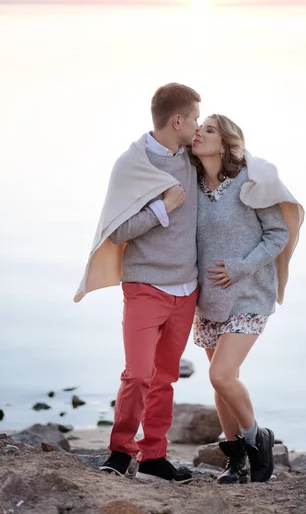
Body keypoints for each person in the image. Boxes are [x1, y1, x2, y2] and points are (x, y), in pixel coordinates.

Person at [74, 83, 201, 482]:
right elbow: (118, 231)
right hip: (145, 284)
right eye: (195, 118)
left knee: (165, 377)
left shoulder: (194, 159)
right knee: (139, 374)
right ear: (177, 120)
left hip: (187, 288)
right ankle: (119, 452)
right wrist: (163, 209)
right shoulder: (132, 163)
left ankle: (153, 460)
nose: (198, 127)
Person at [191, 114, 304, 484]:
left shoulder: (250, 183)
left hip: (250, 295)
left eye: (208, 129)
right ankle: (235, 460)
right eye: (198, 126)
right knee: (222, 382)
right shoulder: (189, 183)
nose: (199, 132)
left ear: (224, 143)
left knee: (220, 374)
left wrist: (240, 267)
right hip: (208, 301)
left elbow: (277, 234)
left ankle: (258, 439)